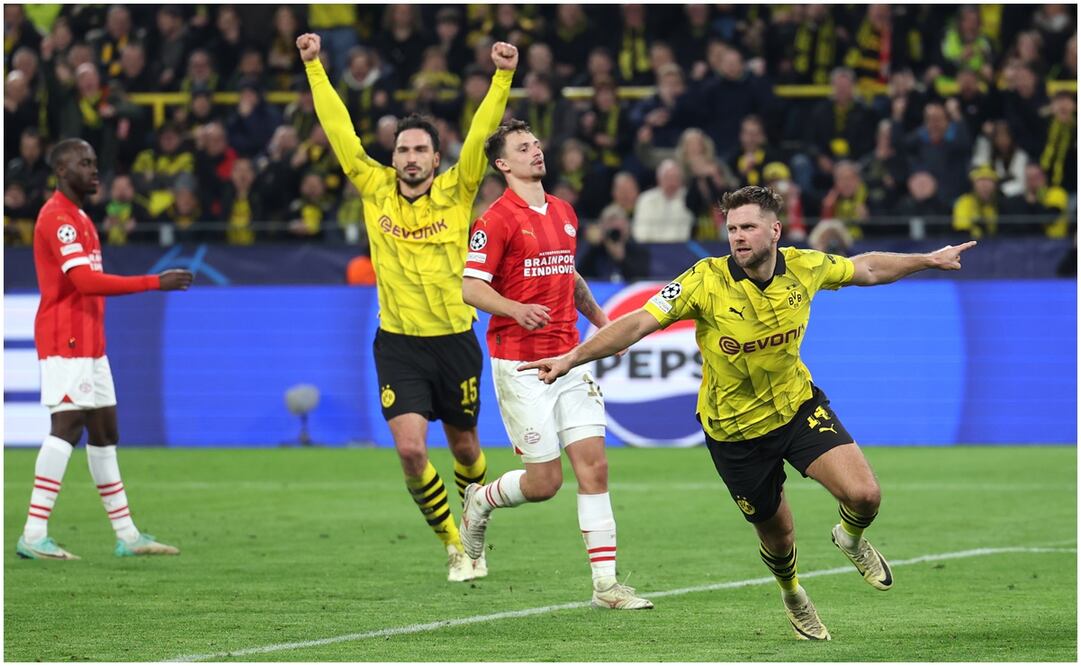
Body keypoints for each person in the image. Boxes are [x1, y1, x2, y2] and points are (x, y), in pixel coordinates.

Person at [520, 186, 976, 639]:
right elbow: (639, 322)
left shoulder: (804, 267)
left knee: (865, 495)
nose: (738, 237)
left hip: (796, 408)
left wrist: (929, 259)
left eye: (748, 227)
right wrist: (571, 358)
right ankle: (793, 594)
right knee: (780, 537)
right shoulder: (705, 280)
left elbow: (867, 267)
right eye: (732, 228)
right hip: (734, 432)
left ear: (774, 230)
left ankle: (850, 539)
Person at [298, 33, 518, 582]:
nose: (411, 158)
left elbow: (480, 134)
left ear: (436, 158)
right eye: (403, 150)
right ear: (392, 156)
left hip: (455, 340)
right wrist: (315, 68)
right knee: (412, 452)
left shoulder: (458, 189)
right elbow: (339, 132)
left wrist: (502, 78)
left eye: (421, 149)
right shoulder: (374, 189)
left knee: (466, 451)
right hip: (397, 343)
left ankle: (475, 529)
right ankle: (454, 547)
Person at [457, 120, 653, 610]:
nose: (536, 152)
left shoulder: (564, 211)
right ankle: (481, 500)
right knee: (545, 484)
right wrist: (514, 309)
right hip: (520, 365)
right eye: (523, 148)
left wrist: (606, 324)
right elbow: (471, 287)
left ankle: (606, 586)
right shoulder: (496, 220)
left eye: (537, 143)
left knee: (595, 467)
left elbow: (571, 276)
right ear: (503, 164)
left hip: (568, 359)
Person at [17, 138, 193, 561]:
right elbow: (86, 283)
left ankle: (127, 535)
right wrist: (154, 282)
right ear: (62, 171)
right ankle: (33, 533)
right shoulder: (57, 218)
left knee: (105, 431)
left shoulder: (80, 217)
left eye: (96, 162)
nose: (95, 170)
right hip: (66, 337)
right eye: (84, 163)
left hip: (90, 341)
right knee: (68, 425)